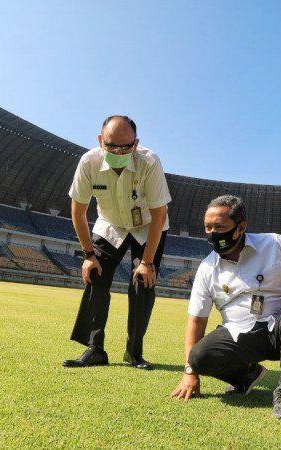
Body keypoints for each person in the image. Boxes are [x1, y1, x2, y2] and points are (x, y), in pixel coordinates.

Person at [170, 195, 281, 420]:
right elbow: (197, 320)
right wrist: (190, 371)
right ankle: (247, 376)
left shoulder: (274, 244)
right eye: (208, 228)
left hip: (278, 328)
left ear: (241, 227)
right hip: (237, 334)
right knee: (199, 356)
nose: (212, 234)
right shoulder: (206, 268)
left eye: (219, 227)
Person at [63, 115, 171, 370]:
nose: (118, 152)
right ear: (100, 140)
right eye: (111, 146)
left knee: (143, 281)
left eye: (126, 147)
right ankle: (95, 348)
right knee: (95, 274)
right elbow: (78, 212)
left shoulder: (150, 162)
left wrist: (146, 262)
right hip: (110, 223)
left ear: (136, 143)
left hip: (147, 225)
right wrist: (88, 254)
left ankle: (134, 352)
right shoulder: (88, 162)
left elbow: (159, 215)